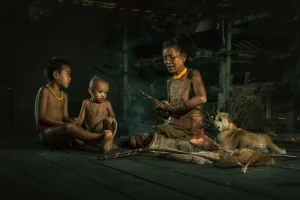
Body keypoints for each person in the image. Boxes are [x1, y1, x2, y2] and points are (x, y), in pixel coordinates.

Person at [34, 57, 114, 153]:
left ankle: (100, 146)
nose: (70, 78)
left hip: (61, 130)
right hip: (46, 132)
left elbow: (65, 116)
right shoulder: (45, 91)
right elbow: (41, 118)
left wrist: (70, 120)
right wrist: (65, 124)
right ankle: (100, 138)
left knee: (76, 132)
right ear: (56, 74)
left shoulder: (64, 96)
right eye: (68, 74)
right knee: (70, 128)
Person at [154, 37, 219, 150]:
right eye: (165, 58)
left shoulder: (193, 75)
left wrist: (174, 109)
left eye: (172, 57)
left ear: (183, 57)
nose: (168, 61)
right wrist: (164, 106)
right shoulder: (169, 81)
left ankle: (196, 141)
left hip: (190, 131)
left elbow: (202, 98)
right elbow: (171, 108)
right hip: (174, 128)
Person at [76, 76, 118, 147]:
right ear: (90, 91)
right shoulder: (86, 103)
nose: (103, 95)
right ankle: (90, 142)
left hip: (104, 131)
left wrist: (103, 121)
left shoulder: (107, 103)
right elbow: (81, 119)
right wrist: (76, 126)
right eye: (100, 92)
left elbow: (113, 117)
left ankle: (109, 141)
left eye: (106, 93)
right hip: (90, 133)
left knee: (110, 120)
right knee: (77, 132)